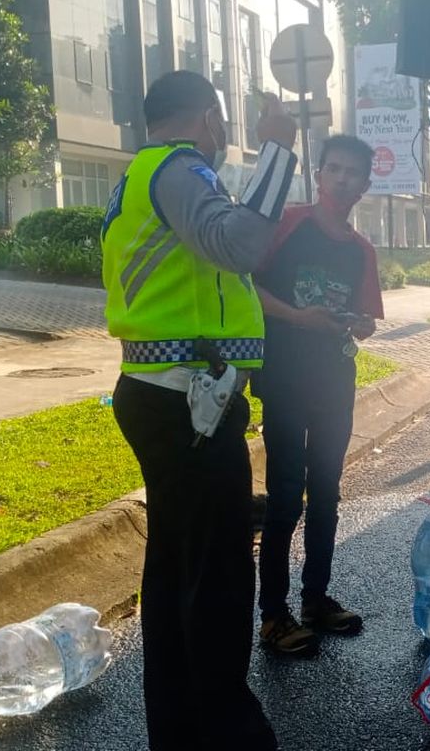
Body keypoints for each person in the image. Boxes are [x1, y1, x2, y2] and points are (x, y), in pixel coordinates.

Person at [103, 70, 299, 751]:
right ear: (209, 118)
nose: (224, 136)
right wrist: (276, 154)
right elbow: (239, 243)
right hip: (185, 404)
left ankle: (182, 729)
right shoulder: (178, 170)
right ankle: (227, 732)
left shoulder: (144, 175)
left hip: (167, 396)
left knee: (176, 572)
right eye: (224, 123)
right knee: (215, 573)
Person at [253, 134, 384, 653]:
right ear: (319, 176)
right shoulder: (287, 224)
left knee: (326, 492)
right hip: (284, 376)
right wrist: (297, 317)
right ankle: (273, 615)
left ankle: (316, 599)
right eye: (334, 170)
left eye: (353, 173)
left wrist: (357, 323)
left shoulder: (360, 250)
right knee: (286, 494)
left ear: (365, 186)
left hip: (335, 379)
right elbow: (247, 286)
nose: (342, 180)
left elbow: (369, 320)